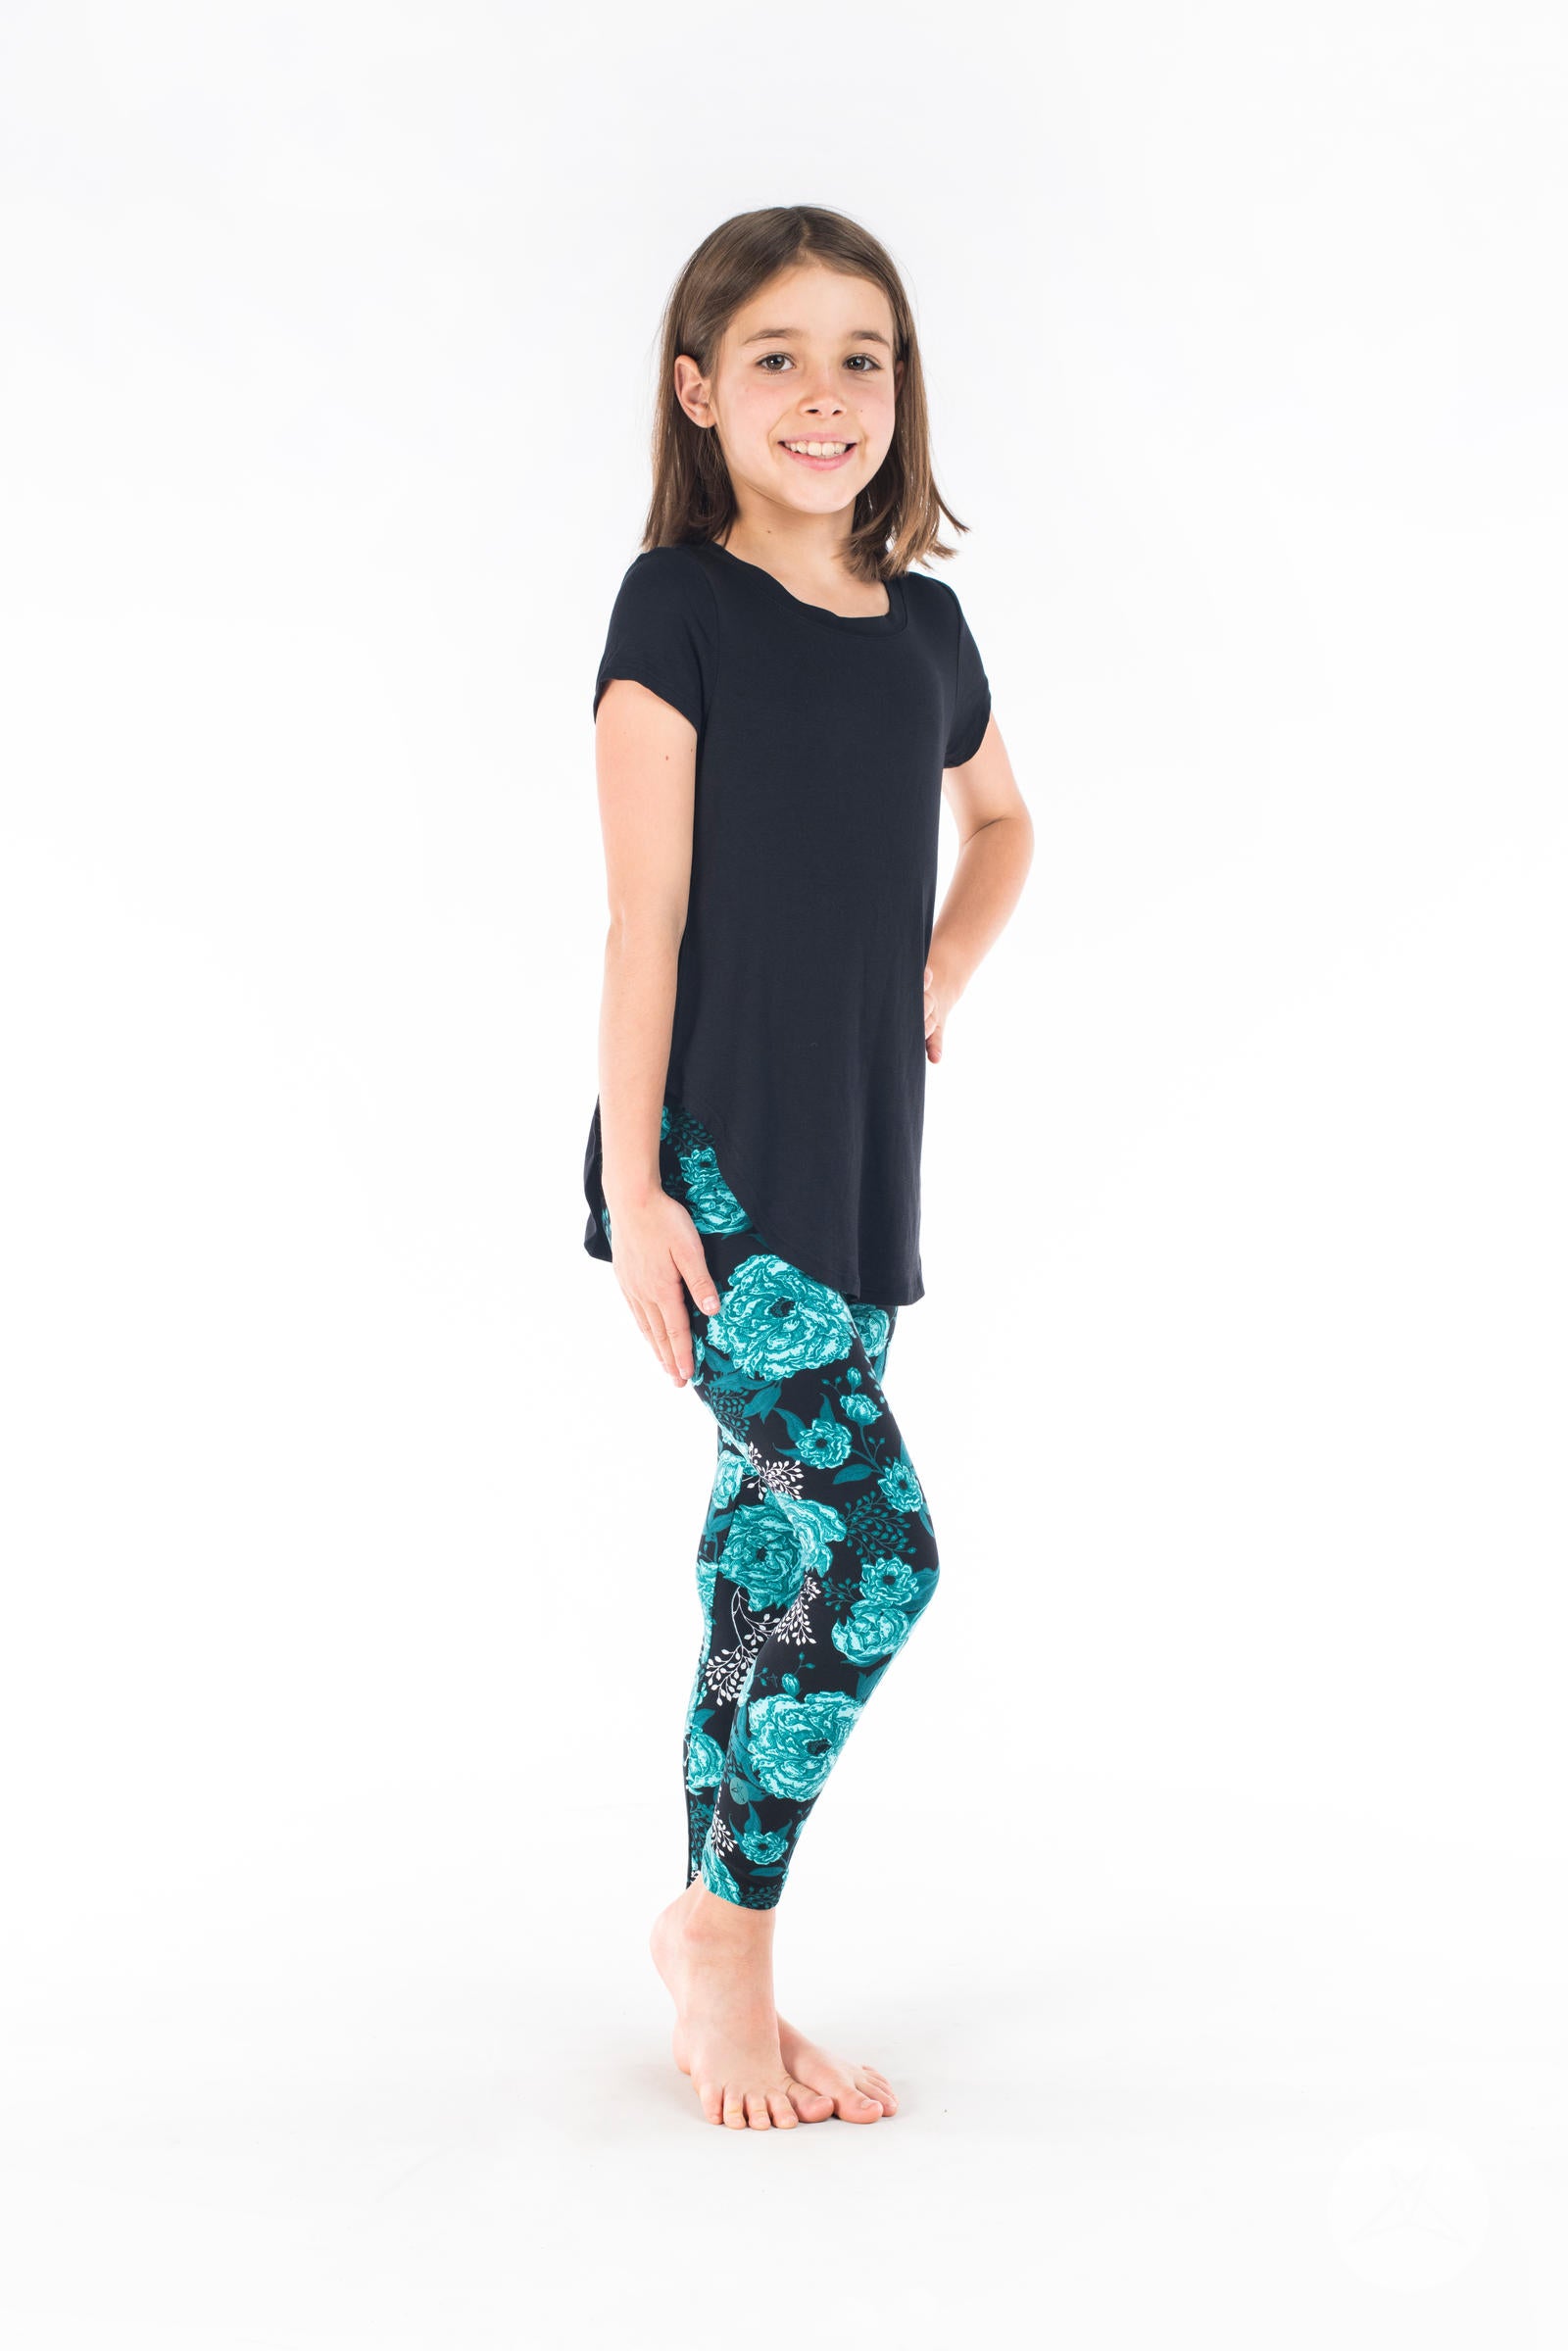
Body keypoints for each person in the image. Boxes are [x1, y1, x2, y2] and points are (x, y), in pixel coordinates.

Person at [582, 206, 1033, 2131]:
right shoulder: (674, 607)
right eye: (776, 355)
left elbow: (1002, 823)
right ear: (700, 392)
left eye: (863, 355)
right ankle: (727, 1943)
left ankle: (706, 1955)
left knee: (765, 1552)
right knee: (875, 1552)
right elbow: (643, 922)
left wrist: (941, 966)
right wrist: (636, 1191)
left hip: (859, 1159)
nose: (826, 393)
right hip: (720, 1168)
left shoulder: (926, 629)